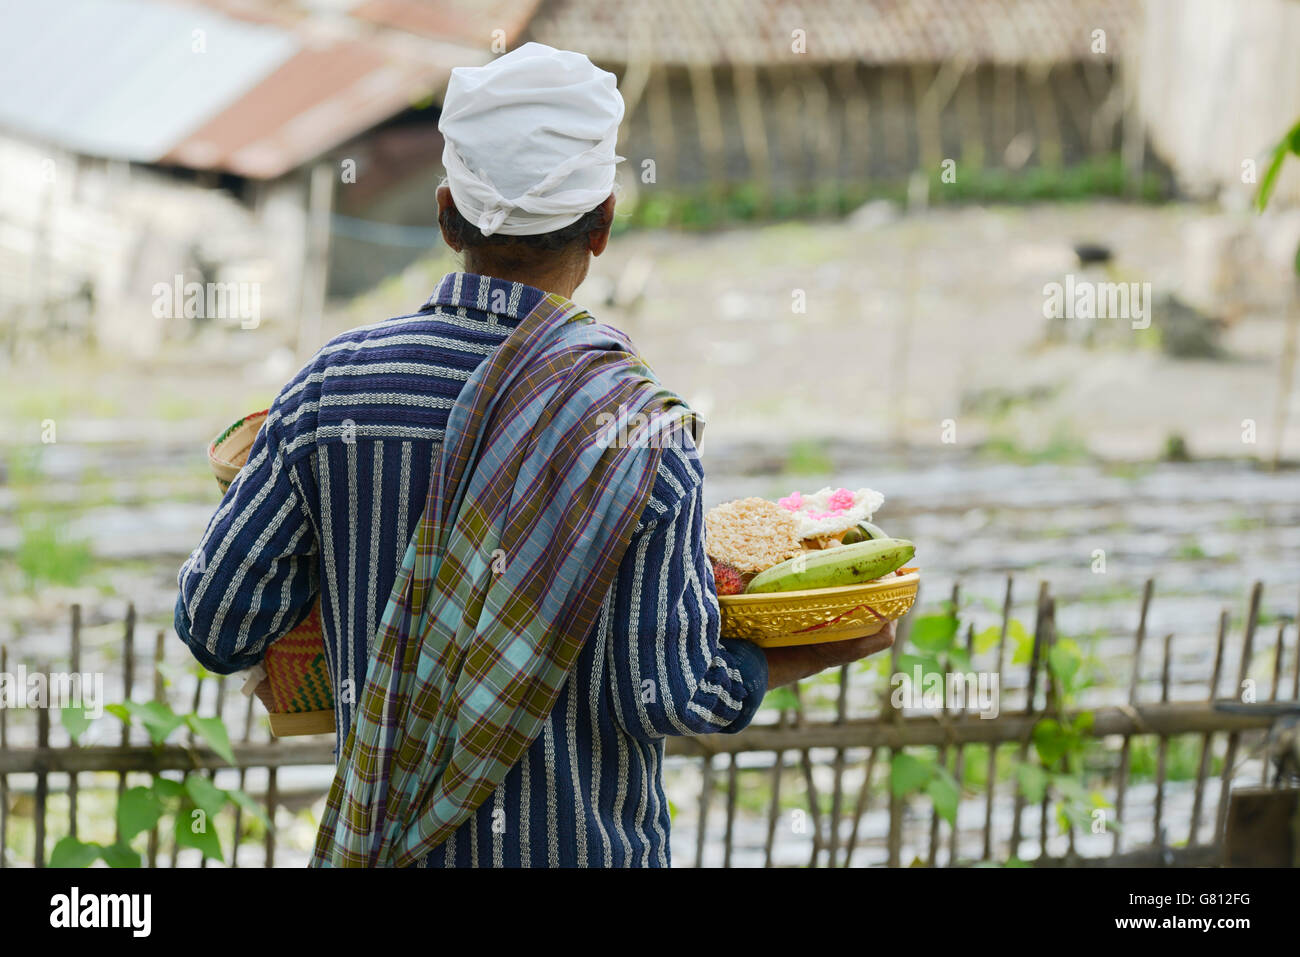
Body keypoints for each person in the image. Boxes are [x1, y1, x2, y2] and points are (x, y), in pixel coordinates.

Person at [175, 42, 893, 868]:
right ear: (604, 227)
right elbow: (667, 691)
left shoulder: (329, 391)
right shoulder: (639, 426)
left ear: (446, 215)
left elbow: (218, 622)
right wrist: (836, 640)